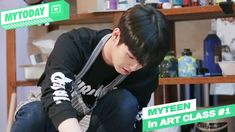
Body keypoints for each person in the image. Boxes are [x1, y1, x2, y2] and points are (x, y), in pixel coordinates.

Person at [11, 4, 171, 132]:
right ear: (116, 35)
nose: (134, 67)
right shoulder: (75, 43)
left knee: (126, 103)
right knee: (34, 114)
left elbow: (136, 118)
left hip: (90, 122)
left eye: (142, 63)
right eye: (130, 56)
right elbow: (56, 94)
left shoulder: (145, 70)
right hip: (52, 115)